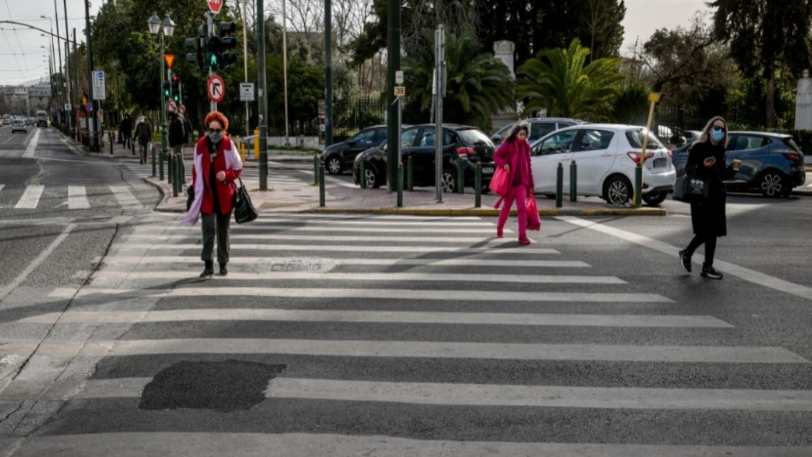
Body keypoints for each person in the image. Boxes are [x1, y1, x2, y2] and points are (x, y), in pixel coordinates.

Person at [181, 111, 243, 278]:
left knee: (223, 232)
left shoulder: (229, 145)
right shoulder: (200, 145)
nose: (214, 133)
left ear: (223, 130)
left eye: (217, 130)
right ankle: (208, 264)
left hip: (224, 197)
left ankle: (223, 263)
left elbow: (238, 167)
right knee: (208, 230)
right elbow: (195, 168)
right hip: (206, 196)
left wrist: (227, 175)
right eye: (211, 130)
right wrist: (196, 187)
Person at [678, 116, 736, 280]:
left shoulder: (721, 150)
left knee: (713, 232)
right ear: (709, 129)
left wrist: (733, 169)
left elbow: (721, 174)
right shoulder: (699, 147)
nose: (719, 132)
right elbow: (689, 169)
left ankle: (703, 264)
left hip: (717, 195)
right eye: (716, 128)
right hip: (701, 195)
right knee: (707, 232)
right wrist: (703, 165)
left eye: (722, 129)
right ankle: (693, 257)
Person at [494, 122, 535, 245]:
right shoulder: (509, 144)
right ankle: (499, 228)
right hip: (511, 183)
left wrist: (531, 184)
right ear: (516, 134)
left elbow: (529, 165)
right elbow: (496, 156)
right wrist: (504, 164)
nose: (523, 137)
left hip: (522, 183)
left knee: (522, 208)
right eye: (521, 134)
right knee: (506, 208)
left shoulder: (526, 146)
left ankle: (522, 236)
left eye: (525, 135)